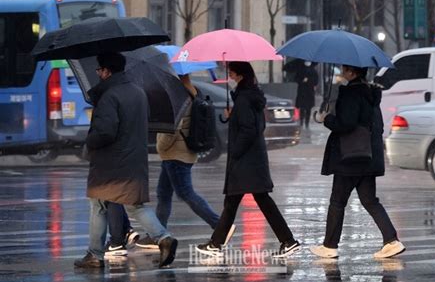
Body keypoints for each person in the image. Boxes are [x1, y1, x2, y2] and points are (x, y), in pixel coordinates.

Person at [74, 52, 178, 269]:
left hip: (110, 163)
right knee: (135, 205)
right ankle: (163, 237)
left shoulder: (109, 95)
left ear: (106, 71)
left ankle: (94, 254)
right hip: (134, 159)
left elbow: (105, 132)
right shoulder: (138, 92)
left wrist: (89, 140)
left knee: (99, 204)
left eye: (99, 70)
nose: (98, 74)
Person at [195, 62, 301, 258]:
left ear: (240, 75)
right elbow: (252, 124)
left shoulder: (244, 99)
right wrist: (231, 116)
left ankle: (287, 241)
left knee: (242, 201)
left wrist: (235, 151)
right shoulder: (251, 97)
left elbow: (249, 129)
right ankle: (217, 243)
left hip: (246, 160)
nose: (231, 76)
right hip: (252, 160)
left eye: (232, 73)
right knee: (238, 201)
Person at [311, 64, 405, 259]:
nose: (342, 71)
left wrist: (326, 118)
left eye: (345, 69)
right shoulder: (371, 94)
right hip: (367, 156)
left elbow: (346, 124)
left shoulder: (352, 94)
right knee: (370, 201)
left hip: (350, 158)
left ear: (352, 72)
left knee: (337, 201)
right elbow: (375, 127)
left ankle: (329, 246)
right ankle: (391, 240)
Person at [136, 74, 235, 248]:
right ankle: (158, 233)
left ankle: (221, 226)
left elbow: (172, 129)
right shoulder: (193, 93)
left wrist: (161, 147)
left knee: (186, 193)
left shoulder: (178, 98)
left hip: (175, 154)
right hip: (179, 153)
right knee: (164, 194)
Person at [295, 61, 318, 129]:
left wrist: (309, 80)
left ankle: (306, 123)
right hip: (302, 91)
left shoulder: (313, 71)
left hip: (309, 92)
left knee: (308, 108)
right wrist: (302, 80)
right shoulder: (300, 70)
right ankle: (301, 121)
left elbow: (316, 81)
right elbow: (296, 79)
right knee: (302, 108)